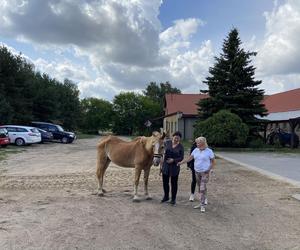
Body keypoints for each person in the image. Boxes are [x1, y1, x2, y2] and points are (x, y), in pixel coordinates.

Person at [178, 137, 215, 212]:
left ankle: (202, 205)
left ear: (203, 143)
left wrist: (209, 169)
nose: (196, 144)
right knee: (200, 188)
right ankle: (203, 200)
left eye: (198, 143)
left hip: (205, 172)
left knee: (202, 188)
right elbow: (189, 158)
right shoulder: (195, 150)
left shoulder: (209, 151)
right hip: (197, 172)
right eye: (196, 143)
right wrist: (181, 162)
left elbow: (213, 161)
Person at [161, 131, 184, 206]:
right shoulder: (167, 143)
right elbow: (161, 149)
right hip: (166, 165)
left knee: (174, 183)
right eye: (175, 137)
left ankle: (173, 199)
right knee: (165, 182)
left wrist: (173, 160)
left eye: (178, 138)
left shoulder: (181, 147)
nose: (176, 139)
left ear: (180, 139)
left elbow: (181, 157)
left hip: (174, 167)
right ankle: (166, 196)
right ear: (172, 137)